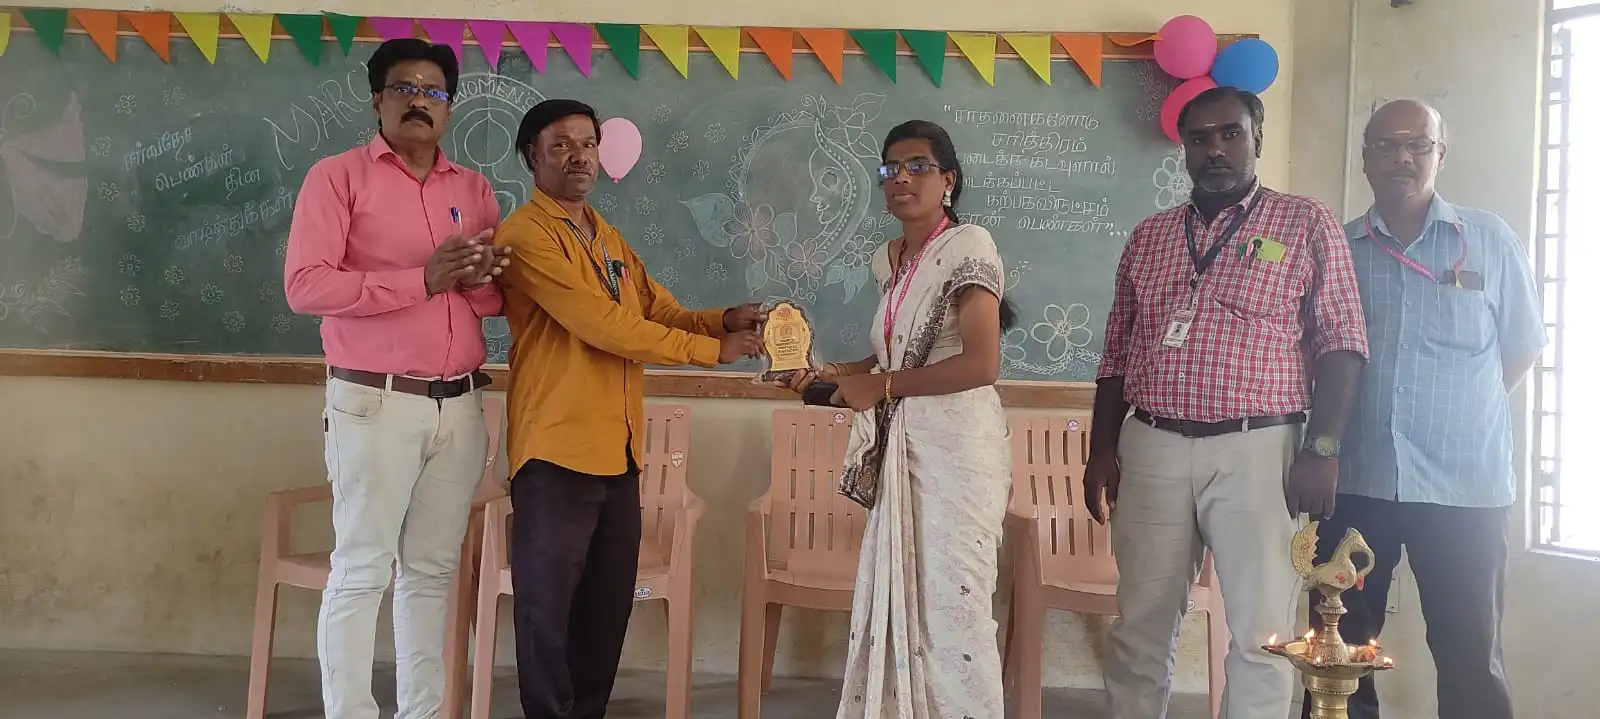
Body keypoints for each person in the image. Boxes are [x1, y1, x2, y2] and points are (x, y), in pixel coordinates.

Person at [1084, 86, 1370, 719]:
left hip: (1259, 447)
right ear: (1184, 148)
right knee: (1140, 626)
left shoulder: (1304, 222)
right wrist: (1101, 450)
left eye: (1230, 134)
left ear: (1255, 138)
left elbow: (1343, 342)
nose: (1215, 149)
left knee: (1264, 635)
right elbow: (1116, 354)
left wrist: (1322, 449)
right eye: (1200, 138)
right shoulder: (1150, 236)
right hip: (1151, 445)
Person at [491, 98, 765, 719]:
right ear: (532, 156)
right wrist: (710, 351)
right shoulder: (526, 235)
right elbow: (603, 325)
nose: (579, 156)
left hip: (618, 453)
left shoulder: (607, 236)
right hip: (555, 450)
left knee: (607, 608)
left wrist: (722, 319)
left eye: (588, 144)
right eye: (561, 145)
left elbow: (657, 311)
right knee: (546, 611)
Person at [283, 38, 512, 719]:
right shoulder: (337, 178)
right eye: (404, 88)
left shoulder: (472, 189)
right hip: (374, 400)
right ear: (377, 100)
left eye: (434, 91)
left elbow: (489, 301)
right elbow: (305, 285)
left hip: (461, 404)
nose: (419, 101)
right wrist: (420, 280)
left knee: (432, 573)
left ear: (450, 108)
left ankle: (422, 711)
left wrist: (480, 279)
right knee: (362, 569)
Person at [1303, 99, 1543, 719]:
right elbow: (1313, 355)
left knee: (1471, 656)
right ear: (1365, 159)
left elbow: (1520, 349)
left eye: (1418, 145)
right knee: (1338, 650)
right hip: (1357, 482)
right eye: (1386, 145)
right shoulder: (1339, 249)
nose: (1402, 157)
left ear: (1441, 155)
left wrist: (1462, 416)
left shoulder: (1488, 241)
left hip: (1465, 488)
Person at [781, 119, 1018, 719]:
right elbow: (896, 355)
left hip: (958, 451)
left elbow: (982, 363)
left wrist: (879, 386)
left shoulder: (969, 245)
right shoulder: (888, 260)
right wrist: (835, 371)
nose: (901, 179)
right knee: (904, 597)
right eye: (891, 168)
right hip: (904, 445)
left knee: (955, 604)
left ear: (948, 180)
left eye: (918, 166)